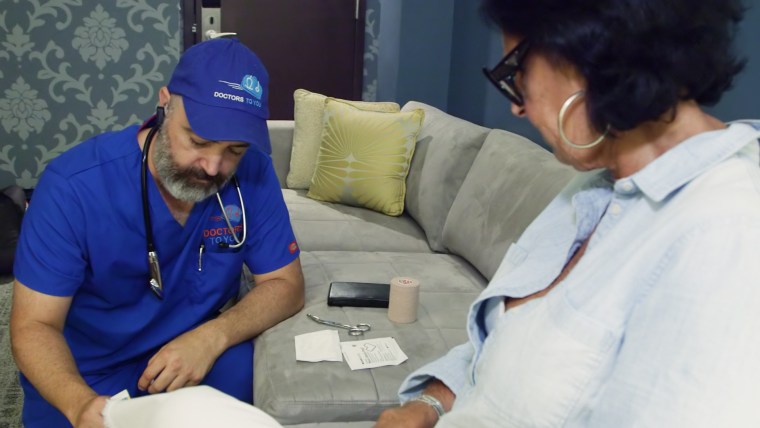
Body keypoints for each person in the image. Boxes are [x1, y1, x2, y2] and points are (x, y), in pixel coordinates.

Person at [376, 0, 760, 427]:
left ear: (588, 56)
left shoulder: (728, 236)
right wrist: (426, 406)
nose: (517, 107)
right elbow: (502, 340)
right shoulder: (592, 187)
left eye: (515, 76)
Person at [10, 38, 305, 428]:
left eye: (234, 149)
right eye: (198, 141)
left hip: (195, 356)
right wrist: (79, 404)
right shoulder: (73, 187)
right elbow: (33, 326)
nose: (214, 167)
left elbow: (286, 283)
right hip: (87, 374)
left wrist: (213, 337)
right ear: (164, 103)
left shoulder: (254, 172)